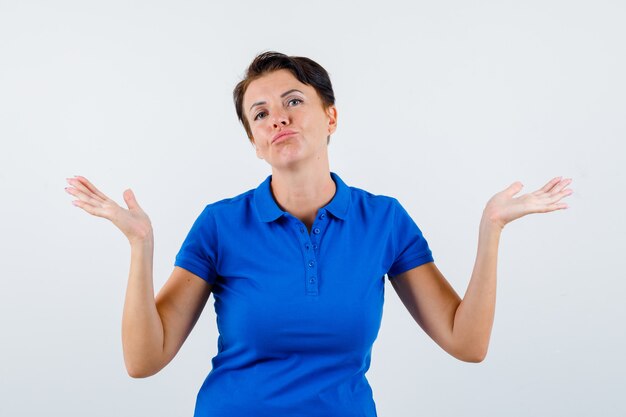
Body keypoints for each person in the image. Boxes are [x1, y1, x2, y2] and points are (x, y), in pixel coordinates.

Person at [65, 51, 573, 416]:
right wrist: (140, 245)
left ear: (330, 117)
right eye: (259, 114)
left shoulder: (383, 220)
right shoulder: (220, 225)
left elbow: (467, 343)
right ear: (256, 144)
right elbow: (143, 360)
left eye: (293, 101)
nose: (277, 118)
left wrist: (492, 228)